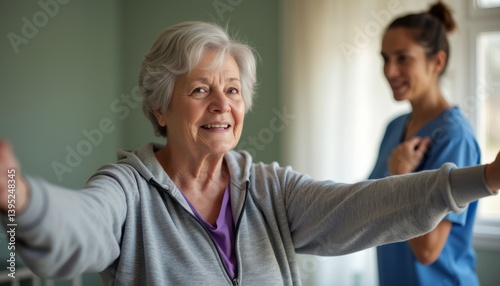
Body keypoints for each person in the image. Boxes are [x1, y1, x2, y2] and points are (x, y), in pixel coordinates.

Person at [0, 21, 499, 286]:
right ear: (159, 107)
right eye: (200, 90)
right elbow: (81, 227)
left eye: (233, 90)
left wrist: (487, 178)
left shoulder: (268, 188)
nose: (222, 105)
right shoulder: (127, 191)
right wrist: (16, 195)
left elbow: (363, 206)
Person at [368, 2, 482, 285]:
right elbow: (371, 207)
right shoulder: (395, 127)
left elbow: (428, 250)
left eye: (403, 58)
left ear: (437, 62)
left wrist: (401, 177)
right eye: (385, 58)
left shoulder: (455, 137)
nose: (390, 71)